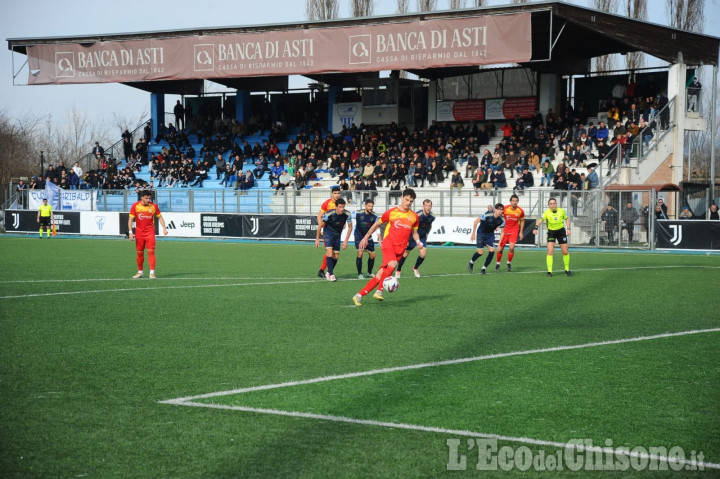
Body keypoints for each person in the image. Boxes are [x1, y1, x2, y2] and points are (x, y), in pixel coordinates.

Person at [352, 188, 421, 306]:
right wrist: (366, 237)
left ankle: (358, 295)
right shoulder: (391, 212)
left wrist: (418, 241)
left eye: (411, 201)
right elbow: (377, 224)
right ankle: (379, 291)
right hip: (388, 244)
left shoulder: (414, 216)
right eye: (407, 199)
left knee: (381, 275)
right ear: (402, 198)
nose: (408, 203)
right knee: (393, 265)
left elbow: (414, 233)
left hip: (401, 248)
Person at [128, 190, 168, 279]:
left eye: (149, 198)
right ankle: (140, 272)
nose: (148, 200)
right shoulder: (135, 206)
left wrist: (164, 228)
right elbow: (130, 219)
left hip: (150, 232)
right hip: (139, 233)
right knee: (139, 253)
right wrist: (131, 232)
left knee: (151, 252)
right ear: (141, 197)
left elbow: (160, 217)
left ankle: (152, 273)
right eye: (146, 198)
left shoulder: (154, 206)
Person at [315, 198, 352, 282]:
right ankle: (331, 274)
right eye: (340, 207)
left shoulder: (347, 214)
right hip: (328, 233)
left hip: (337, 235)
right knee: (329, 252)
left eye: (343, 207)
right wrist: (317, 239)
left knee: (335, 257)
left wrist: (346, 240)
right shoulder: (329, 214)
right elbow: (320, 225)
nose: (342, 209)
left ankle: (328, 272)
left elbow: (350, 227)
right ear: (336, 207)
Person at [396, 199, 435, 278]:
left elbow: (430, 225)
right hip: (412, 236)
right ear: (423, 206)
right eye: (426, 206)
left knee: (423, 254)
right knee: (405, 254)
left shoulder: (432, 216)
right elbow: (409, 226)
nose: (428, 207)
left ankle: (415, 268)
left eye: (429, 206)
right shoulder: (417, 215)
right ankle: (398, 270)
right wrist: (406, 239)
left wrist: (426, 234)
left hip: (422, 237)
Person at [534, 197, 572, 277]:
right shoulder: (546, 213)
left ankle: (567, 269)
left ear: (556, 204)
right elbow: (540, 220)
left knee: (565, 252)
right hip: (551, 233)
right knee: (550, 251)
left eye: (554, 203)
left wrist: (568, 229)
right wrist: (535, 228)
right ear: (548, 205)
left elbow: (567, 219)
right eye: (551, 204)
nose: (553, 205)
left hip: (561, 232)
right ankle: (549, 271)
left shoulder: (561, 211)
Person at [468, 203, 505, 275]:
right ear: (495, 210)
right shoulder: (487, 215)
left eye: (501, 210)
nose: (500, 211)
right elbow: (476, 221)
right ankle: (471, 262)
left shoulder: (502, 220)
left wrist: (500, 243)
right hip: (481, 234)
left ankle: (483, 268)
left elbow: (502, 231)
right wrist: (473, 233)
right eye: (498, 209)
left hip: (490, 235)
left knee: (492, 252)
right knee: (480, 253)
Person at [316, 185, 343, 278]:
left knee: (334, 255)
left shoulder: (341, 203)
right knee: (329, 252)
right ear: (332, 194)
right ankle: (326, 272)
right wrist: (321, 228)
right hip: (328, 231)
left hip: (337, 232)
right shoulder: (326, 203)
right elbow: (319, 216)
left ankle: (323, 271)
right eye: (335, 193)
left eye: (338, 193)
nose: (337, 195)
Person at [353, 198, 382, 279]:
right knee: (360, 254)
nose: (371, 208)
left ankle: (369, 272)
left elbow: (377, 227)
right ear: (365, 205)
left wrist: (379, 239)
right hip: (359, 237)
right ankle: (359, 274)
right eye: (369, 206)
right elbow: (347, 216)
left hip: (368, 238)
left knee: (373, 255)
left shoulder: (374, 216)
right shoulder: (358, 213)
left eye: (372, 206)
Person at [495, 194, 525, 271]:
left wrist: (521, 232)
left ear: (518, 201)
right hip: (505, 231)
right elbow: (498, 215)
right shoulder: (505, 209)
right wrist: (496, 225)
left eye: (516, 201)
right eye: (513, 201)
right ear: (510, 201)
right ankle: (498, 263)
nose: (514, 202)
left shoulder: (520, 211)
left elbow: (522, 221)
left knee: (511, 247)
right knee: (500, 249)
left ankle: (509, 263)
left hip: (514, 230)